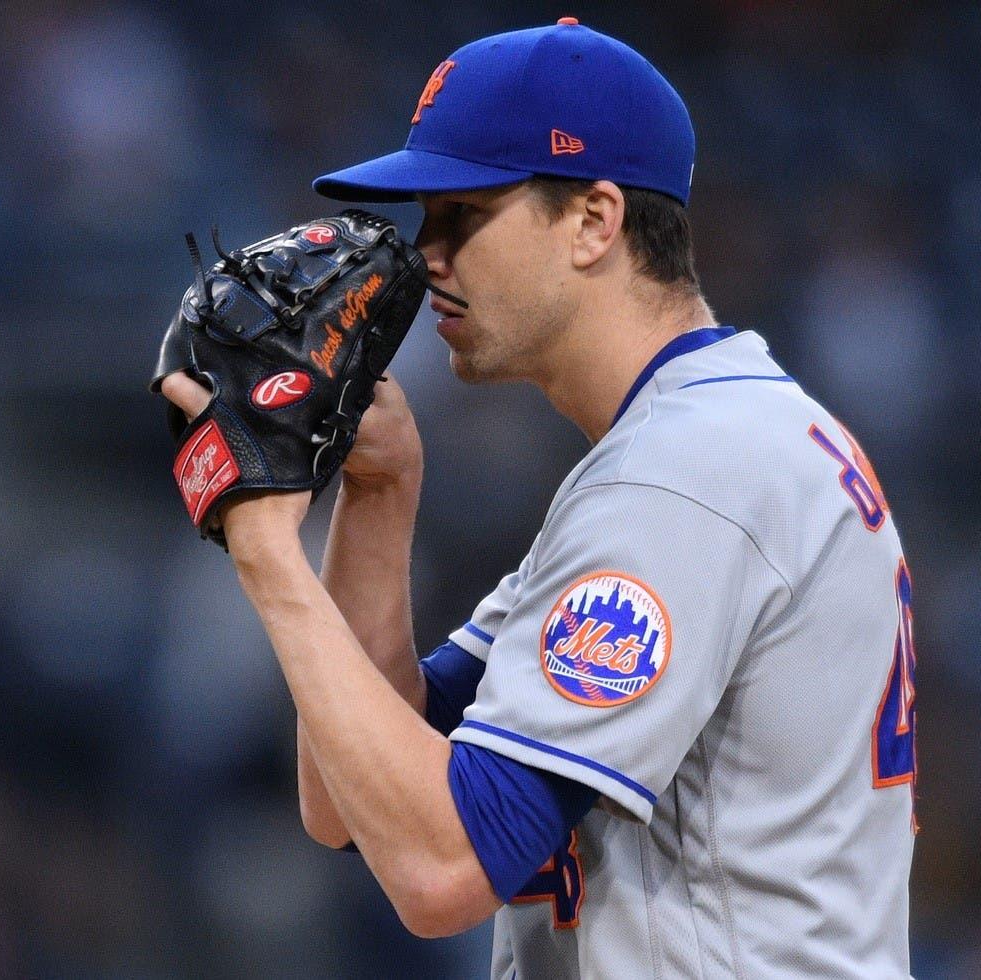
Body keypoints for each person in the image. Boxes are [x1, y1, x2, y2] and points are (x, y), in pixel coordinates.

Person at [157, 17, 916, 978]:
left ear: (594, 221)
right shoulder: (697, 443)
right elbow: (347, 803)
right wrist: (380, 501)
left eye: (460, 214)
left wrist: (268, 553)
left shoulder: (685, 476)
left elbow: (440, 873)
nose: (422, 253)